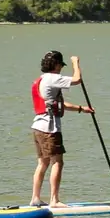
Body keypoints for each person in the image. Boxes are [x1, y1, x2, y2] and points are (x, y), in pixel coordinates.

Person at [30, 51, 92, 207]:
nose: (61, 69)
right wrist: (75, 62)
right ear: (56, 65)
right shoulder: (53, 78)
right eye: (60, 65)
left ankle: (35, 198)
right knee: (57, 162)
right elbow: (77, 79)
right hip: (49, 128)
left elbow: (57, 104)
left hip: (37, 127)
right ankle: (54, 200)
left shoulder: (41, 80)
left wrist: (81, 108)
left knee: (42, 163)